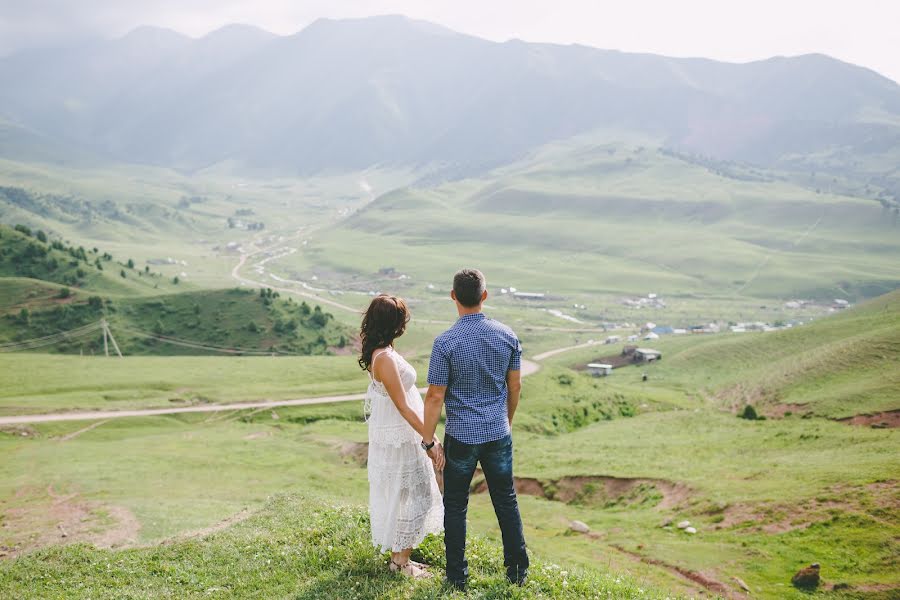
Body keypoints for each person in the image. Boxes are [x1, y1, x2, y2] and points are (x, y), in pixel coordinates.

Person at [422, 268, 529, 591]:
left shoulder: (445, 343)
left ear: (453, 296)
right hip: (497, 432)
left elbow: (435, 395)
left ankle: (457, 576)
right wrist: (505, 422)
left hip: (462, 436)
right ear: (484, 295)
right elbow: (515, 387)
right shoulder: (507, 336)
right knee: (506, 501)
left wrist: (429, 442)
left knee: (455, 505)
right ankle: (517, 572)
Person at [359, 294, 445, 579]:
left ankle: (400, 558)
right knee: (417, 494)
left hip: (401, 433)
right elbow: (404, 405)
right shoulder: (383, 358)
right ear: (392, 323)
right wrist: (429, 439)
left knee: (407, 494)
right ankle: (401, 562)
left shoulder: (383, 351)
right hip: (402, 436)